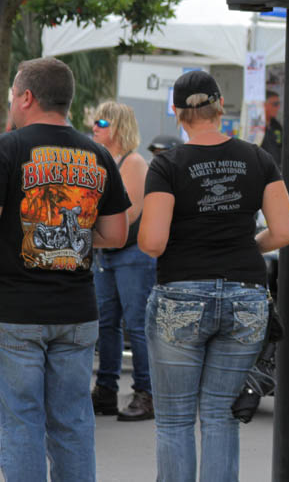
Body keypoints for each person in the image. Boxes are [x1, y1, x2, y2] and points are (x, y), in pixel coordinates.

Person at [138, 70, 289, 482]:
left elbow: (153, 241)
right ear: (221, 107)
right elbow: (285, 231)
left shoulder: (167, 164)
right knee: (220, 415)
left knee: (174, 421)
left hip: (181, 295)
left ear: (177, 112)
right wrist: (247, 247)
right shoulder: (258, 158)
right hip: (245, 295)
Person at [0, 57, 130, 481]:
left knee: (20, 422)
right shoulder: (97, 154)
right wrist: (70, 235)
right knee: (73, 422)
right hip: (77, 312)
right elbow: (116, 233)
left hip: (16, 312)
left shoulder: (9, 148)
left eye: (11, 97)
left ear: (27, 97)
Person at [90, 101, 157, 421]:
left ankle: (146, 393)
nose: (94, 126)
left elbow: (127, 216)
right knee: (106, 324)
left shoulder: (133, 163)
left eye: (102, 121)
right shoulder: (103, 159)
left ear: (118, 125)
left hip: (131, 254)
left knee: (136, 324)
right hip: (107, 253)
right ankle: (106, 390)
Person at [260, 90, 282, 166]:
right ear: (264, 105)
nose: (278, 107)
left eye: (279, 104)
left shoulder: (277, 126)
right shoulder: (256, 127)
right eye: (275, 104)